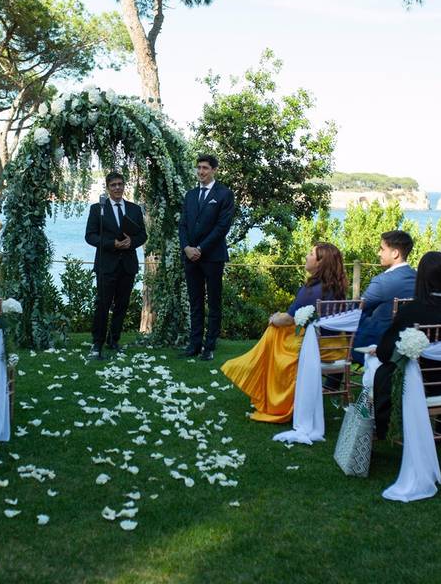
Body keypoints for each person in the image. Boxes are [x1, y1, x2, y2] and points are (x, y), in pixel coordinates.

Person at [221, 243, 347, 423]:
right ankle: (253, 368)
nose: (306, 256)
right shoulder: (336, 288)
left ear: (320, 263)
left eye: (311, 254)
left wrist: (274, 318)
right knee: (278, 332)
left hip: (317, 349)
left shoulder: (311, 290)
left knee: (275, 331)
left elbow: (288, 318)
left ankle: (258, 375)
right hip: (337, 347)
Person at [370, 252, 441, 439]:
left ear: (421, 278)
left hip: (415, 383)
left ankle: (380, 426)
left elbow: (384, 352)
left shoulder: (411, 310)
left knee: (375, 368)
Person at [83, 171, 147, 360]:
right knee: (102, 304)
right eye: (113, 185)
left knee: (122, 305)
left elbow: (142, 235)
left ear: (124, 186)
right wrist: (112, 244)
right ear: (108, 187)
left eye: (120, 184)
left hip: (127, 265)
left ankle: (114, 339)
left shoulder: (134, 209)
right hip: (106, 264)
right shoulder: (97, 209)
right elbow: (90, 235)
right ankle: (97, 343)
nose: (117, 188)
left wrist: (131, 242)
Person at [178, 154, 235, 362]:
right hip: (190, 257)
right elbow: (183, 224)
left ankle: (209, 346)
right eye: (199, 168)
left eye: (205, 168)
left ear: (214, 170)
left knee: (214, 302)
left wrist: (200, 248)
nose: (201, 171)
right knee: (195, 302)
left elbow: (222, 227)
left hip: (212, 257)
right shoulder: (190, 195)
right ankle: (194, 345)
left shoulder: (224, 194)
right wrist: (186, 248)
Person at [351, 230, 417, 364]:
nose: (378, 253)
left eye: (382, 249)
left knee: (345, 326)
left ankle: (333, 382)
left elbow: (357, 308)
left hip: (378, 341)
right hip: (408, 340)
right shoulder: (419, 278)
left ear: (395, 253)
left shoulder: (383, 281)